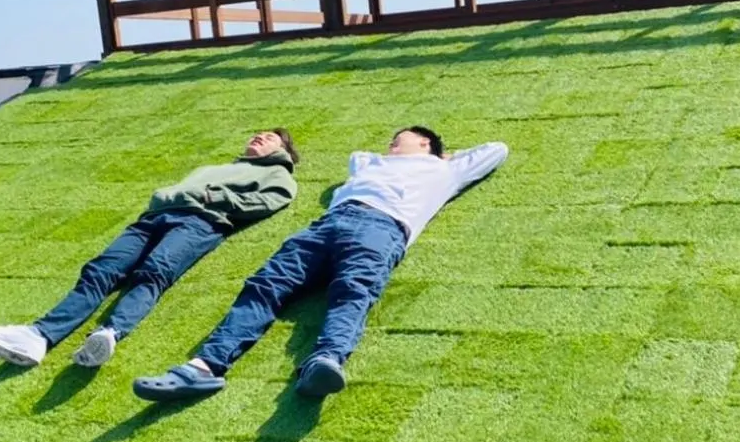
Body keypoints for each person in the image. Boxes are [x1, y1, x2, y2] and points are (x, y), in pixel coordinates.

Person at [133, 126, 507, 401]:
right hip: (325, 225)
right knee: (265, 286)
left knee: (352, 292)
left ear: (426, 142)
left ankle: (325, 360)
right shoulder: (371, 165)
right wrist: (397, 155)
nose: (391, 141)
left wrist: (442, 157)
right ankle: (201, 368)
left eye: (401, 136)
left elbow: (497, 148)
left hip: (384, 227)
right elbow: (357, 156)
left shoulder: (445, 170)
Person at [0, 129, 299, 369]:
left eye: (269, 137)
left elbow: (270, 201)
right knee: (99, 270)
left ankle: (109, 333)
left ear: (282, 149)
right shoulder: (218, 167)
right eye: (256, 134)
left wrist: (216, 198)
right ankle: (37, 336)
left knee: (154, 272)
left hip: (200, 222)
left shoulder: (278, 174)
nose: (258, 137)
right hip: (152, 218)